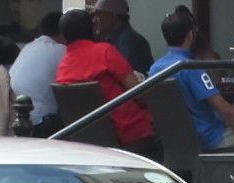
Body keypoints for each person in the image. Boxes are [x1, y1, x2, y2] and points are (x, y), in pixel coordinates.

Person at [55, 7, 157, 153]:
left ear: (63, 38)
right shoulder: (105, 51)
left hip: (89, 143)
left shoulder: (62, 70)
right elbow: (139, 94)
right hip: (132, 136)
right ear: (92, 29)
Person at [150, 8, 234, 150]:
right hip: (210, 138)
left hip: (176, 142)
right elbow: (225, 111)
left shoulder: (154, 69)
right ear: (191, 35)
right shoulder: (191, 68)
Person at [10, 10, 66, 136]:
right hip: (42, 123)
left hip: (18, 118)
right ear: (63, 33)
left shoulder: (28, 47)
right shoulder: (60, 50)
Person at [91, 0, 153, 75]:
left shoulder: (130, 42)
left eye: (98, 15)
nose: (94, 20)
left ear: (113, 17)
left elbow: (129, 80)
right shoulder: (113, 40)